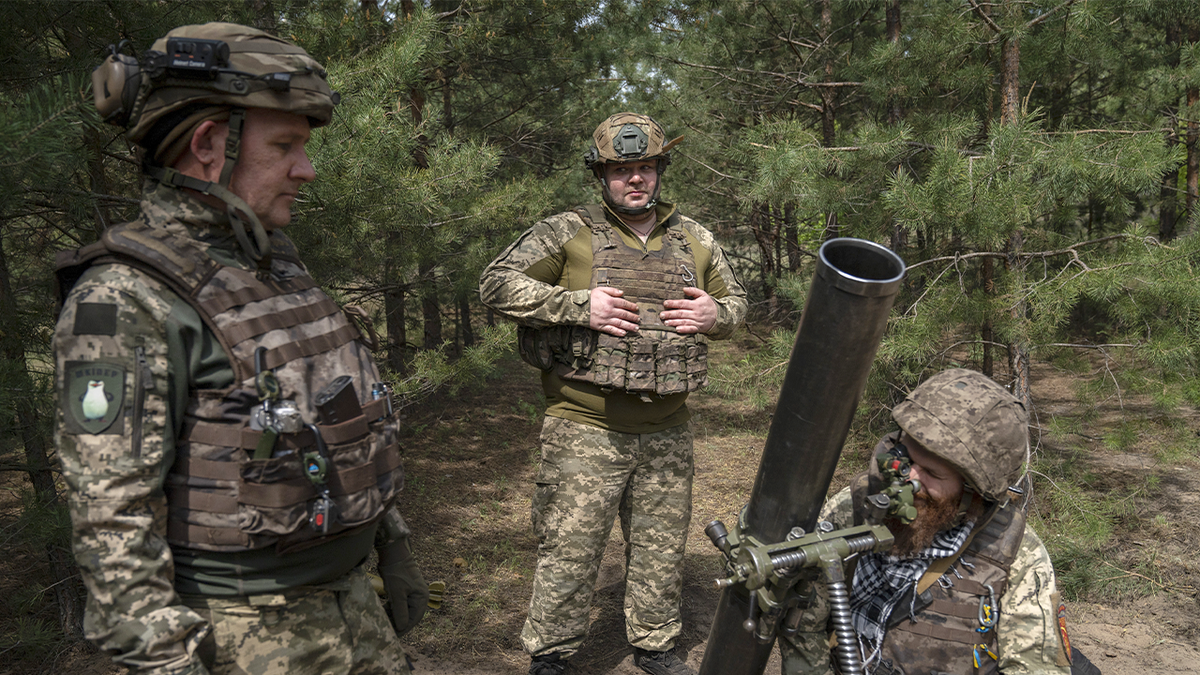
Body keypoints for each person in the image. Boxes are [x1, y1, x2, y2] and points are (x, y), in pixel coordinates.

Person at [54, 23, 427, 675]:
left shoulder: (275, 266)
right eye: (285, 145)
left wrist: (390, 543)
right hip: (244, 637)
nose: (305, 170)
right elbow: (111, 521)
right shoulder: (124, 299)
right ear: (207, 145)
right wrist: (169, 662)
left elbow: (334, 421)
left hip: (349, 617)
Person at [479, 112, 748, 675]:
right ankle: (552, 654)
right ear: (600, 175)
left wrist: (715, 314)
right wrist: (580, 305)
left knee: (660, 547)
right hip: (584, 427)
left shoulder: (694, 238)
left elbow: (737, 305)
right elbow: (496, 283)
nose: (635, 179)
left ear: (660, 171)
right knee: (569, 549)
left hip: (667, 429)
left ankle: (654, 643)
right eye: (622, 169)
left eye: (646, 167)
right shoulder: (566, 232)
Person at [778, 369, 1081, 675]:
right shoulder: (855, 510)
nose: (909, 478)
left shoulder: (1017, 553)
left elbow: (1037, 668)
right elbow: (803, 626)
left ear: (972, 493)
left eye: (932, 474)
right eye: (905, 457)